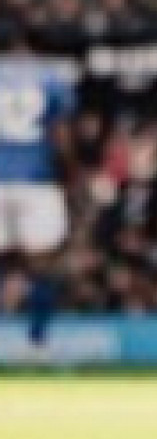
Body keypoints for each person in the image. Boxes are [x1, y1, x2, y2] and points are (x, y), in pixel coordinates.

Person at [0, 24, 74, 363]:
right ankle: (38, 341)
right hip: (35, 178)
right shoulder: (48, 77)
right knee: (44, 263)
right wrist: (71, 175)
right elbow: (60, 134)